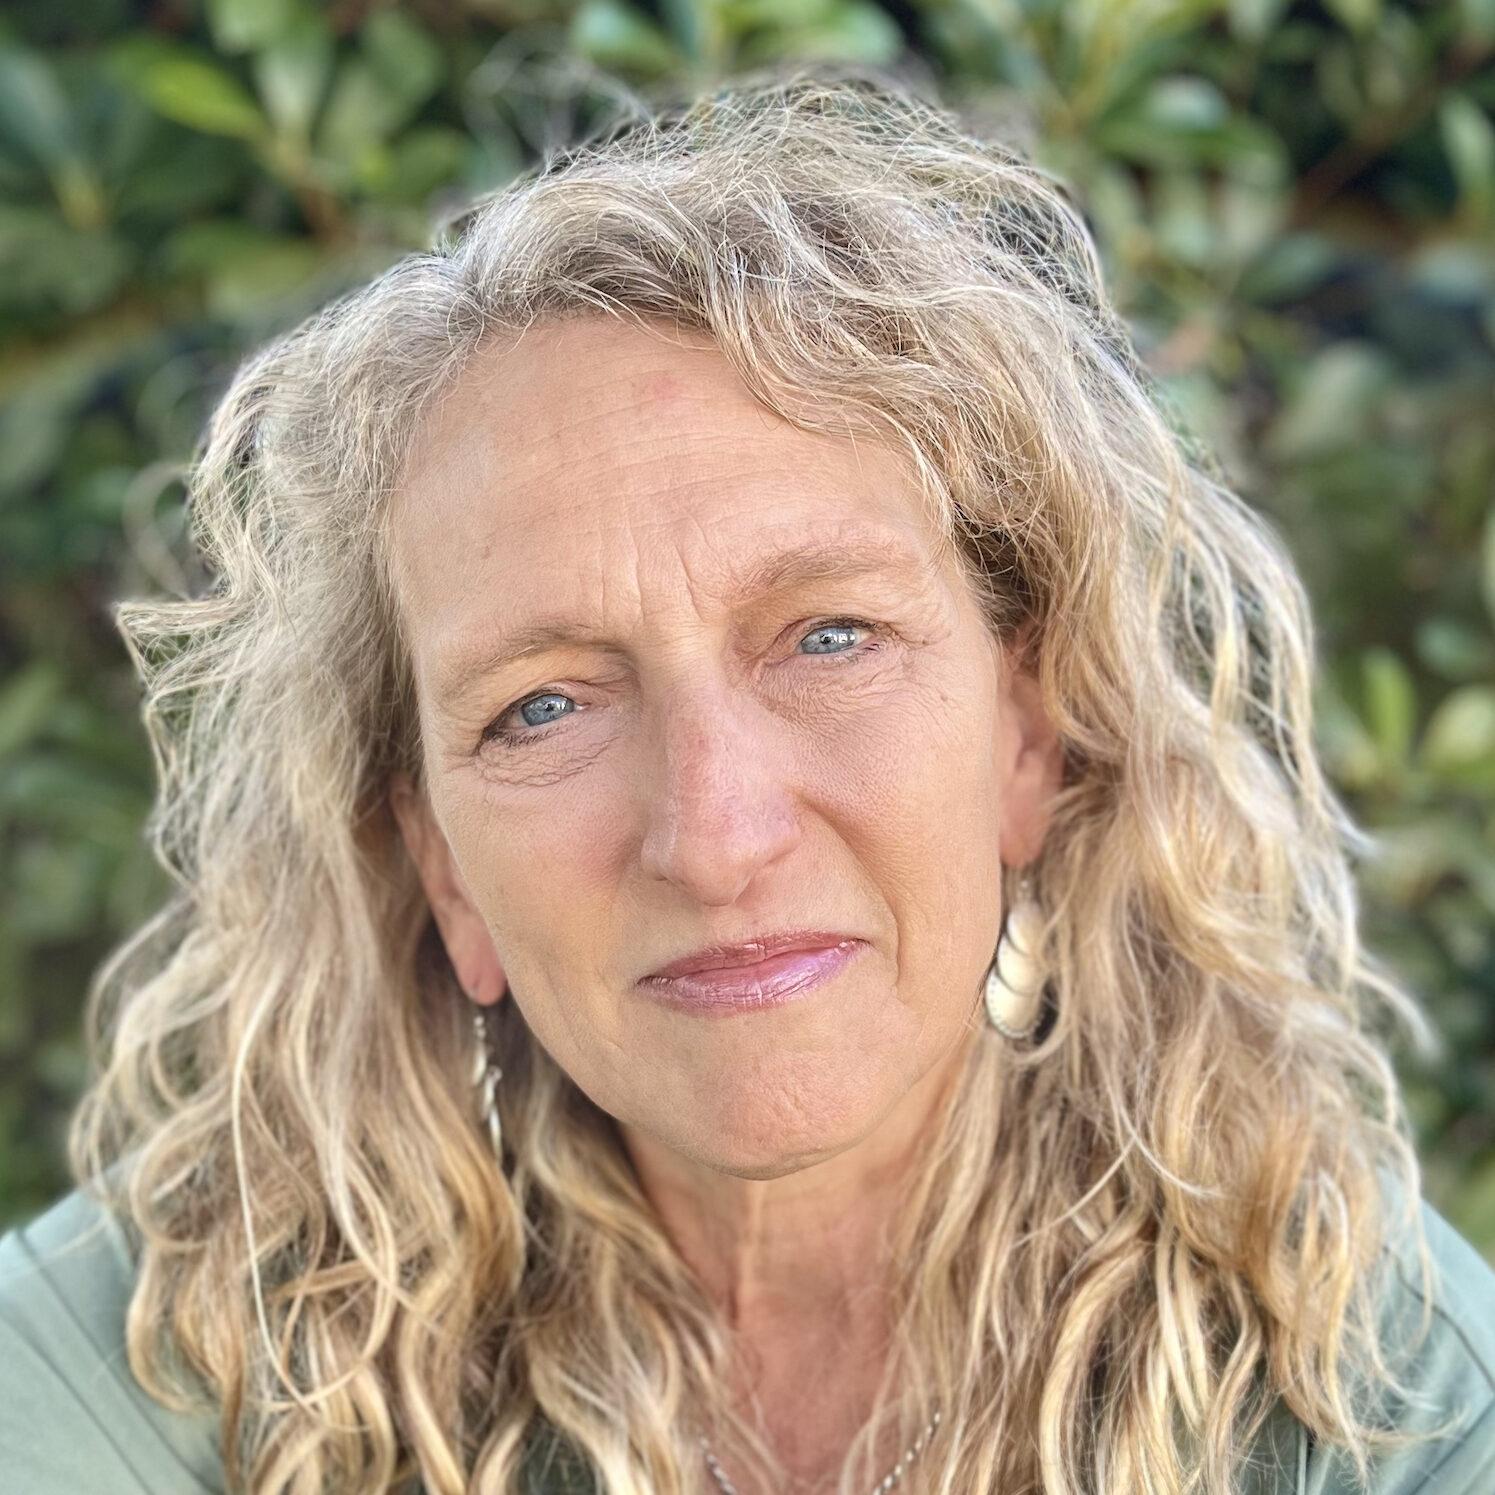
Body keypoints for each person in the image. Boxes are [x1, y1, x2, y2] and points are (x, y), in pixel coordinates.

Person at [2, 69, 1493, 1495]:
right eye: (540, 708)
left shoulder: (1387, 1400)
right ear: (444, 868)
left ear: (1027, 739)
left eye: (829, 638)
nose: (715, 837)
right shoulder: (183, 1336)